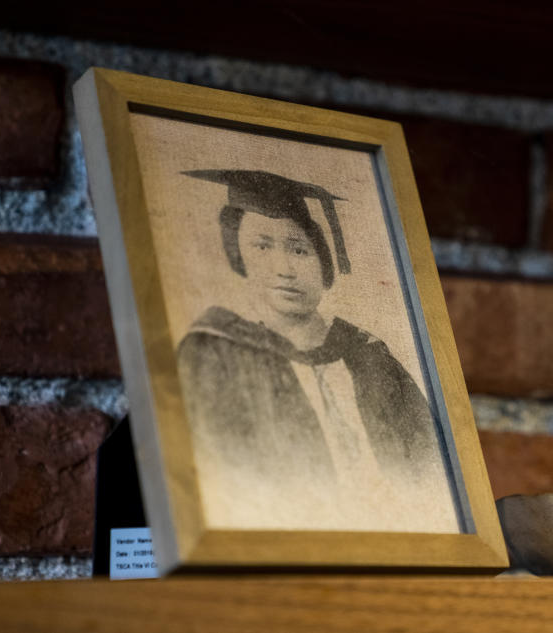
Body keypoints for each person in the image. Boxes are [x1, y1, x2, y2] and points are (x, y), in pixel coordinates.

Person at [176, 170, 457, 531]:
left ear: (324, 261)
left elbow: (430, 475)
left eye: (299, 249)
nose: (285, 269)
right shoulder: (216, 357)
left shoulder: (371, 358)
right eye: (262, 246)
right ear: (239, 256)